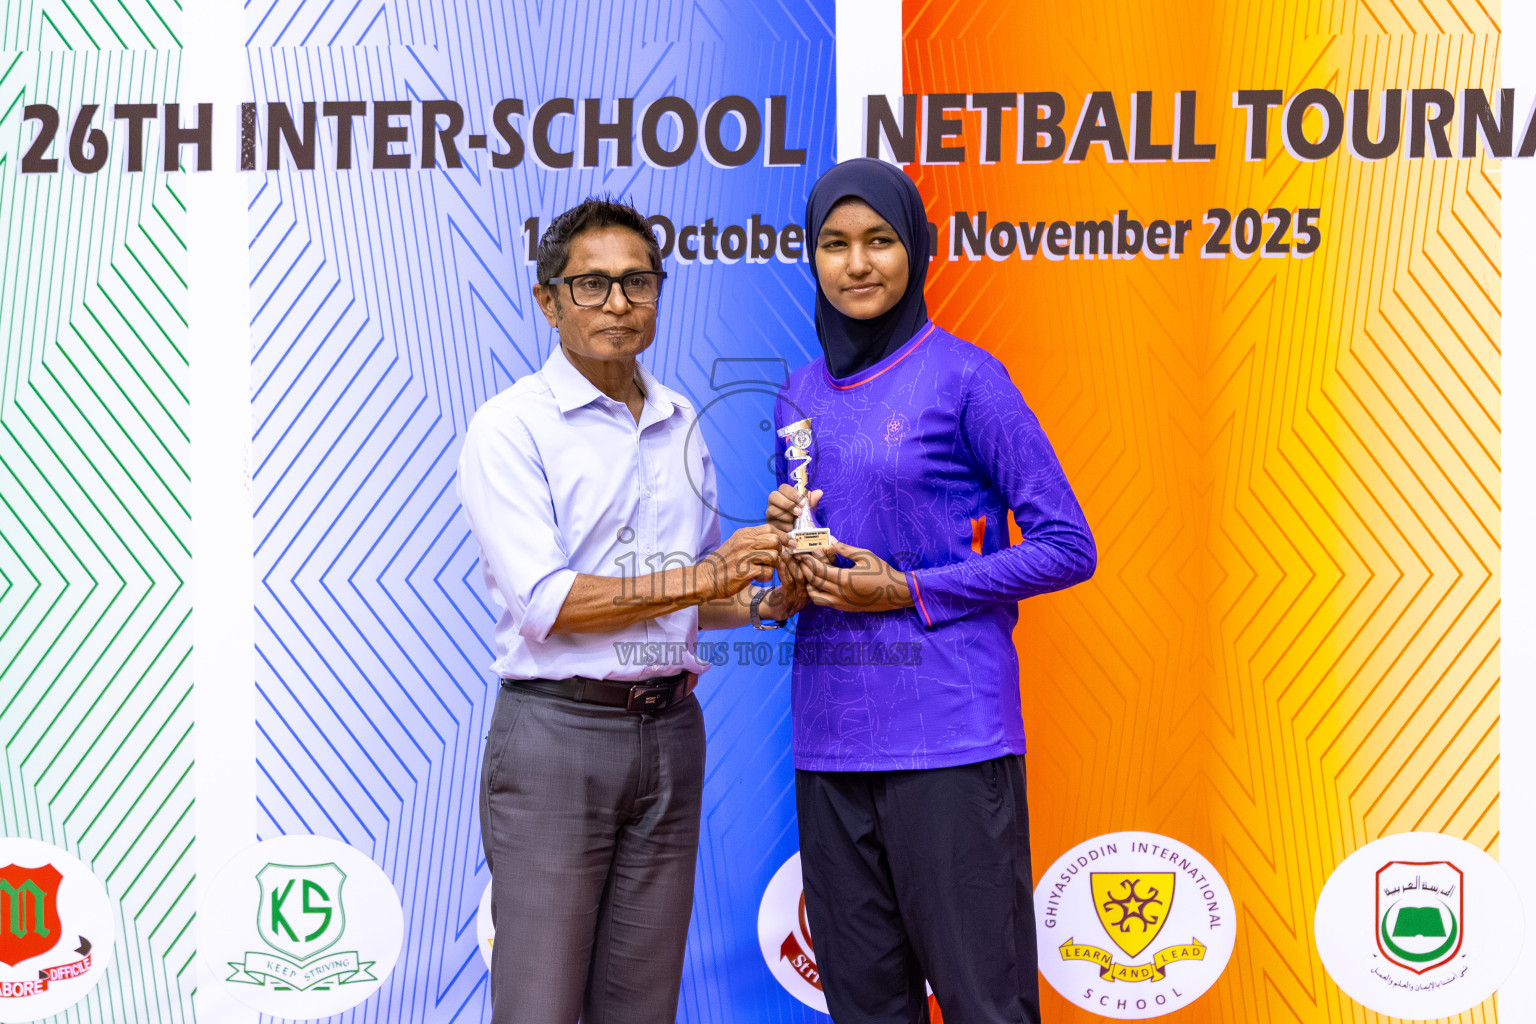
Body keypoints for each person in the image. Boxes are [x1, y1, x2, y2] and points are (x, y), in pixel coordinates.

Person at [766, 159, 1097, 1024]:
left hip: (950, 738)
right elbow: (815, 561)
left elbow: (1068, 546)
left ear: (914, 248)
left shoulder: (966, 379)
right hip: (830, 743)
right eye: (834, 245)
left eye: (879, 240)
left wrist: (911, 589)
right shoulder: (796, 394)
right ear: (812, 258)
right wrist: (785, 575)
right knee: (866, 1008)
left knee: (985, 1005)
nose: (858, 263)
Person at [458, 196, 801, 1024]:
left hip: (672, 734)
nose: (618, 304)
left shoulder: (683, 420)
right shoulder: (510, 429)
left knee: (642, 1007)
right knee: (537, 1005)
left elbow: (702, 601)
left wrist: (769, 596)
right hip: (556, 739)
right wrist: (706, 575)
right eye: (592, 285)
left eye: (637, 282)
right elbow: (551, 606)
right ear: (548, 301)